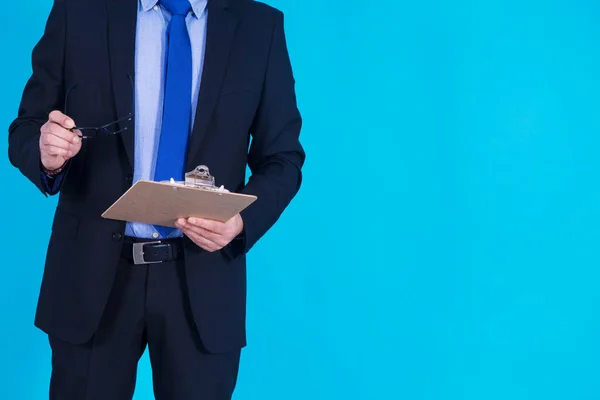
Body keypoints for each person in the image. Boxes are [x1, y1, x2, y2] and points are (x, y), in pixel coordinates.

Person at [7, 0, 304, 398]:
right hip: (91, 278)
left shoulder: (259, 26)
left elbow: (282, 159)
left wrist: (240, 222)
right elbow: (27, 127)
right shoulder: (79, 11)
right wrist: (45, 152)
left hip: (203, 279)